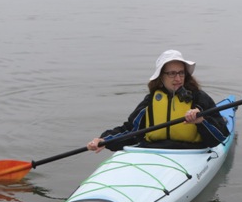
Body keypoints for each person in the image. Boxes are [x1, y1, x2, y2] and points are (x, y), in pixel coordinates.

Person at [87, 50, 230, 152]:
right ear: (161, 77)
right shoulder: (150, 101)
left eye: (181, 73)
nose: (178, 79)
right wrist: (104, 140)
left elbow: (221, 136)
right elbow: (130, 130)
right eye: (172, 73)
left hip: (191, 152)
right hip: (152, 152)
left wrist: (202, 121)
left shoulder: (199, 99)